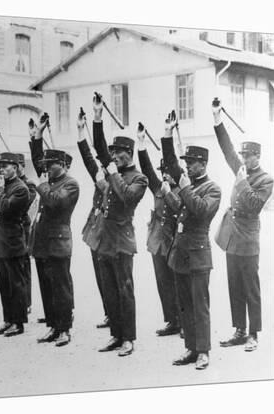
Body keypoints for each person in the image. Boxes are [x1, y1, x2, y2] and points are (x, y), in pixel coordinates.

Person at [212, 99, 274, 352]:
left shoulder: (265, 179)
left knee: (251, 288)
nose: (243, 159)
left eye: (248, 156)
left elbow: (253, 205)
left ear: (257, 157)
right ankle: (239, 330)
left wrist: (241, 182)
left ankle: (253, 334)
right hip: (233, 240)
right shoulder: (241, 170)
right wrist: (218, 119)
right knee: (234, 285)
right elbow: (227, 150)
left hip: (248, 241)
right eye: (243, 156)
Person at [91, 96, 148, 357]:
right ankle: (116, 334)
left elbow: (126, 197)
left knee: (125, 290)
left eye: (119, 153)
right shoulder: (116, 168)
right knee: (110, 291)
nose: (113, 156)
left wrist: (113, 173)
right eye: (113, 152)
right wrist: (97, 118)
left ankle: (129, 338)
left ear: (129, 153)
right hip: (105, 238)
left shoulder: (140, 178)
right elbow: (100, 149)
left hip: (122, 240)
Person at [162, 133, 221, 370]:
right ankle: (191, 348)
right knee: (185, 304)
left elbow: (200, 211)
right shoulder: (190, 184)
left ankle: (203, 351)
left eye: (191, 162)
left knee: (200, 305)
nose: (187, 165)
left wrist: (184, 189)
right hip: (181, 254)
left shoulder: (212, 188)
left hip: (198, 255)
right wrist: (167, 135)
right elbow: (180, 209)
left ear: (203, 164)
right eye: (186, 161)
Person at [29, 114, 80, 347]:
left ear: (65, 165)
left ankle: (64, 329)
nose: (47, 168)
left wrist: (40, 185)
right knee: (47, 287)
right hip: (42, 242)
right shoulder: (49, 182)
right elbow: (37, 158)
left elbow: (54, 202)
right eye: (47, 165)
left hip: (58, 243)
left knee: (61, 287)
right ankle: (52, 325)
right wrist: (38, 136)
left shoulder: (70, 184)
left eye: (52, 165)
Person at [0, 123, 37, 314]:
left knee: (16, 282)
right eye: (1, 166)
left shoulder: (22, 188)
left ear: (17, 168)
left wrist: (0, 189)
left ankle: (18, 319)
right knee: (4, 283)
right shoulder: (6, 183)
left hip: (14, 240)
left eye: (6, 166)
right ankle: (9, 319)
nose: (1, 169)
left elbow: (5, 206)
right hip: (2, 240)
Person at [136, 116, 181, 337]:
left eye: (167, 172)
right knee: (163, 283)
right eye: (162, 171)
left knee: (178, 283)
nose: (164, 175)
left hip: (175, 244)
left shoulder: (182, 191)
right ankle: (172, 320)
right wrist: (141, 143)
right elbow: (146, 169)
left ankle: (183, 322)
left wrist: (167, 133)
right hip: (158, 243)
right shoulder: (157, 186)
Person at [75, 107, 110, 330]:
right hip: (95, 231)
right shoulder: (101, 174)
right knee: (100, 276)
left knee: (109, 277)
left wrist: (97, 120)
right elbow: (90, 158)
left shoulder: (114, 178)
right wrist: (80, 131)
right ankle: (109, 312)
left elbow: (101, 149)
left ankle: (114, 313)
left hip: (109, 233)